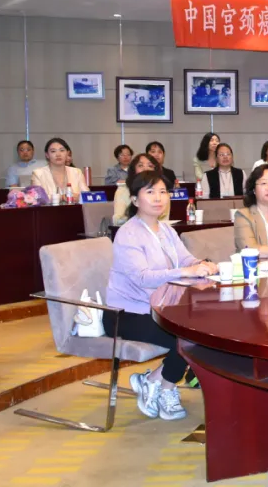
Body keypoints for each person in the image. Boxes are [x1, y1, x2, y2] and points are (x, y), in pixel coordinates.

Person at [106, 171, 218, 421]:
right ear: (135, 199)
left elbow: (185, 259)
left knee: (204, 331)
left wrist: (201, 264)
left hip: (161, 309)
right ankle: (164, 385)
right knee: (189, 338)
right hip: (127, 314)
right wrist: (186, 271)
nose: (158, 198)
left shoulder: (166, 229)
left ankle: (156, 381)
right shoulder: (128, 234)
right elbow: (142, 278)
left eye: (163, 192)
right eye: (150, 192)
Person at [113, 153, 164, 226]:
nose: (145, 169)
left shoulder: (162, 191)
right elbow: (117, 220)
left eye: (150, 166)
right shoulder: (123, 190)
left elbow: (164, 219)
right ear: (133, 170)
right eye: (140, 165)